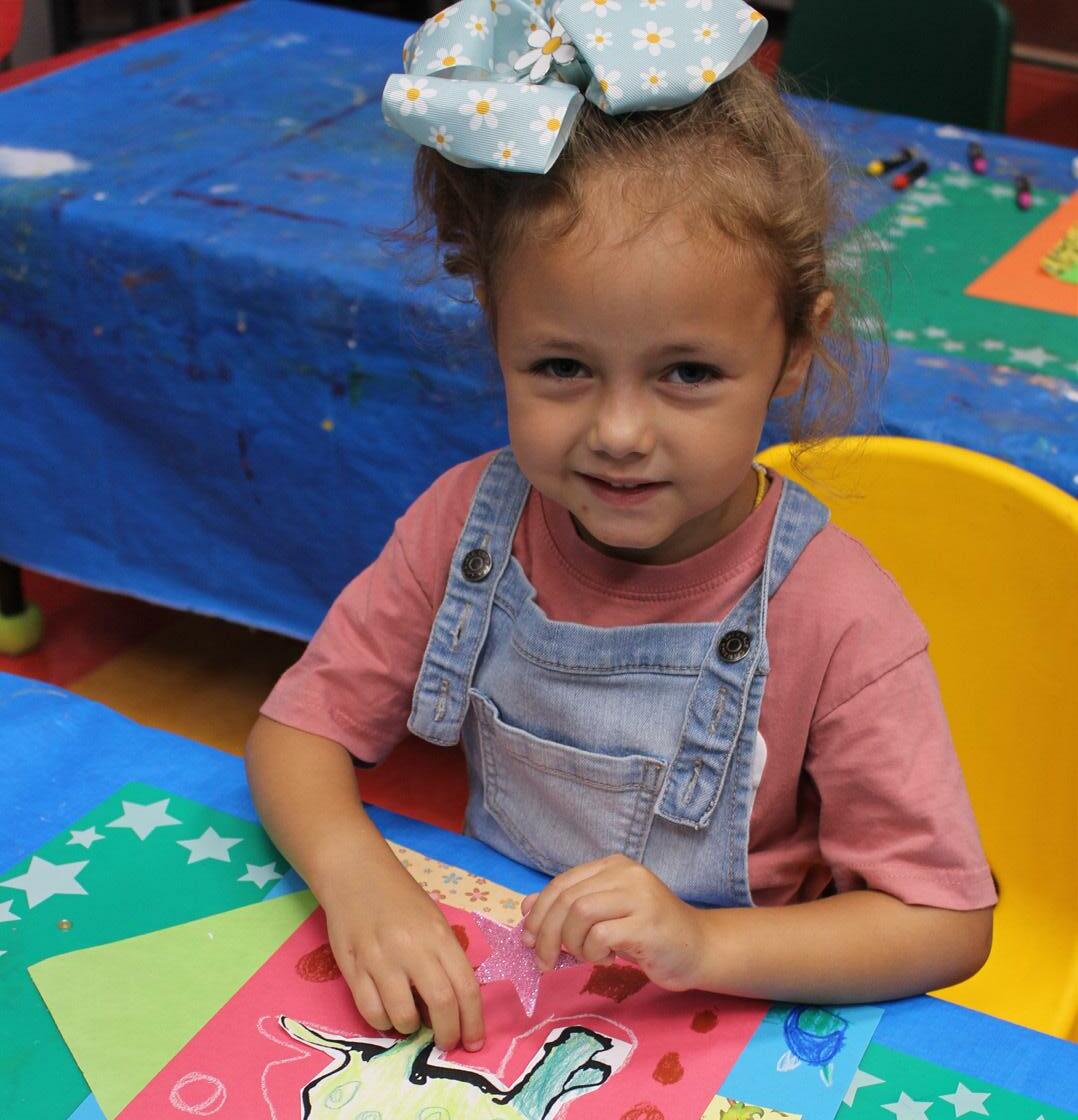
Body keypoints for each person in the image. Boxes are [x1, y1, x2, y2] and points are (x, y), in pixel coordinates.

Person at [246, 0, 995, 1055]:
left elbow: (942, 921)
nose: (619, 434)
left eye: (687, 372)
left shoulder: (838, 615)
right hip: (508, 998)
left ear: (792, 349)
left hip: (728, 1022)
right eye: (562, 367)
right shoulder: (468, 523)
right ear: (496, 331)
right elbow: (296, 732)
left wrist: (701, 942)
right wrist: (357, 878)